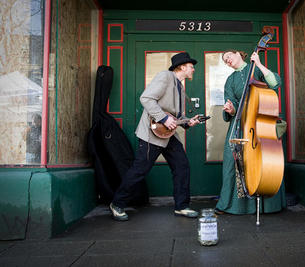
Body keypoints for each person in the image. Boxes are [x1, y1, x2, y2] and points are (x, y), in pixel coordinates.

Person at [109, 52, 201, 221]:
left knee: (182, 166)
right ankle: (117, 204)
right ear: (181, 67)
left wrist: (188, 122)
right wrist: (164, 118)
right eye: (191, 66)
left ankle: (182, 206)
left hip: (167, 134)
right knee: (139, 170)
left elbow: (173, 116)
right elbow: (146, 98)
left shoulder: (179, 85)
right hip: (152, 133)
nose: (193, 69)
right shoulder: (165, 77)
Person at [215, 49, 283, 215]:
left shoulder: (256, 69)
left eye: (228, 56)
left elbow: (275, 83)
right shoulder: (230, 80)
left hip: (261, 125)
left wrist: (258, 63)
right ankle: (231, 204)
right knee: (232, 159)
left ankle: (268, 204)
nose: (227, 60)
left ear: (239, 54)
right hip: (240, 124)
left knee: (265, 159)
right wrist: (230, 109)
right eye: (224, 60)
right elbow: (230, 103)